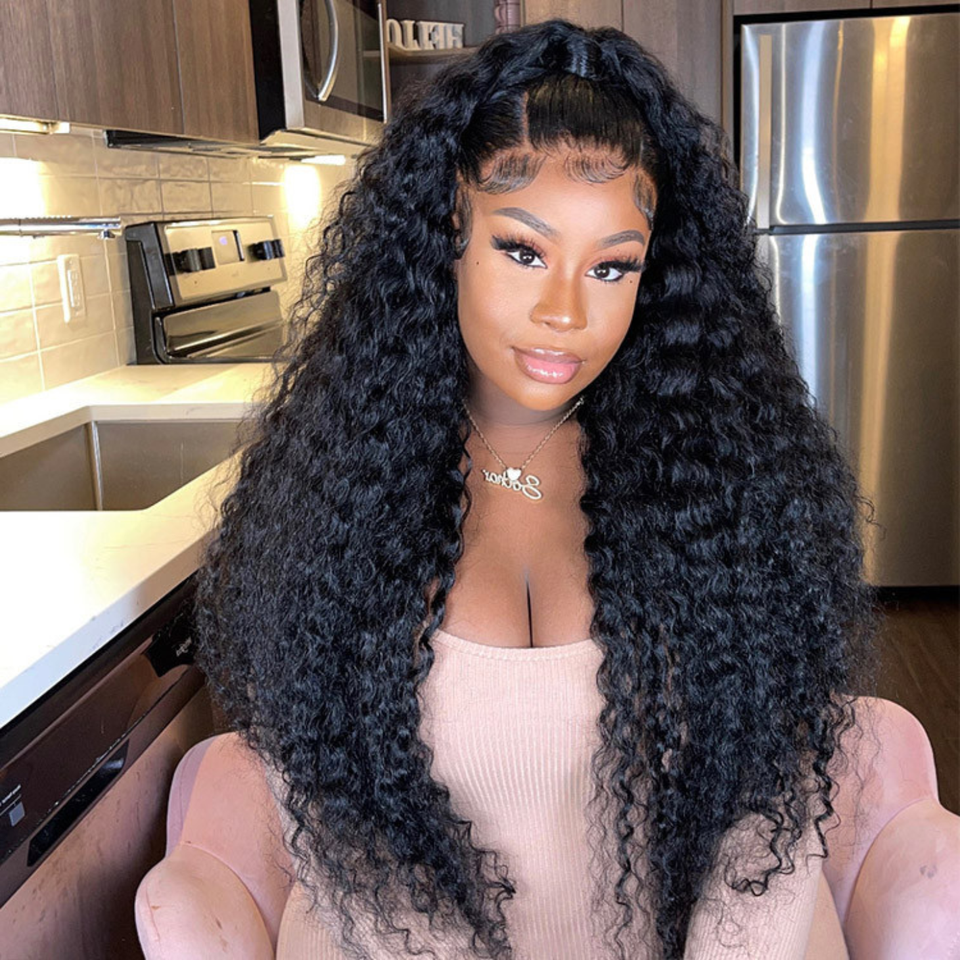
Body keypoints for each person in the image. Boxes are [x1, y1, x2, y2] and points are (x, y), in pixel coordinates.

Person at [193, 17, 882, 960]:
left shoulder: (726, 487)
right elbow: (344, 829)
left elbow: (770, 804)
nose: (567, 312)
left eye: (612, 266)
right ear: (452, 226)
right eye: (524, 250)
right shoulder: (339, 489)